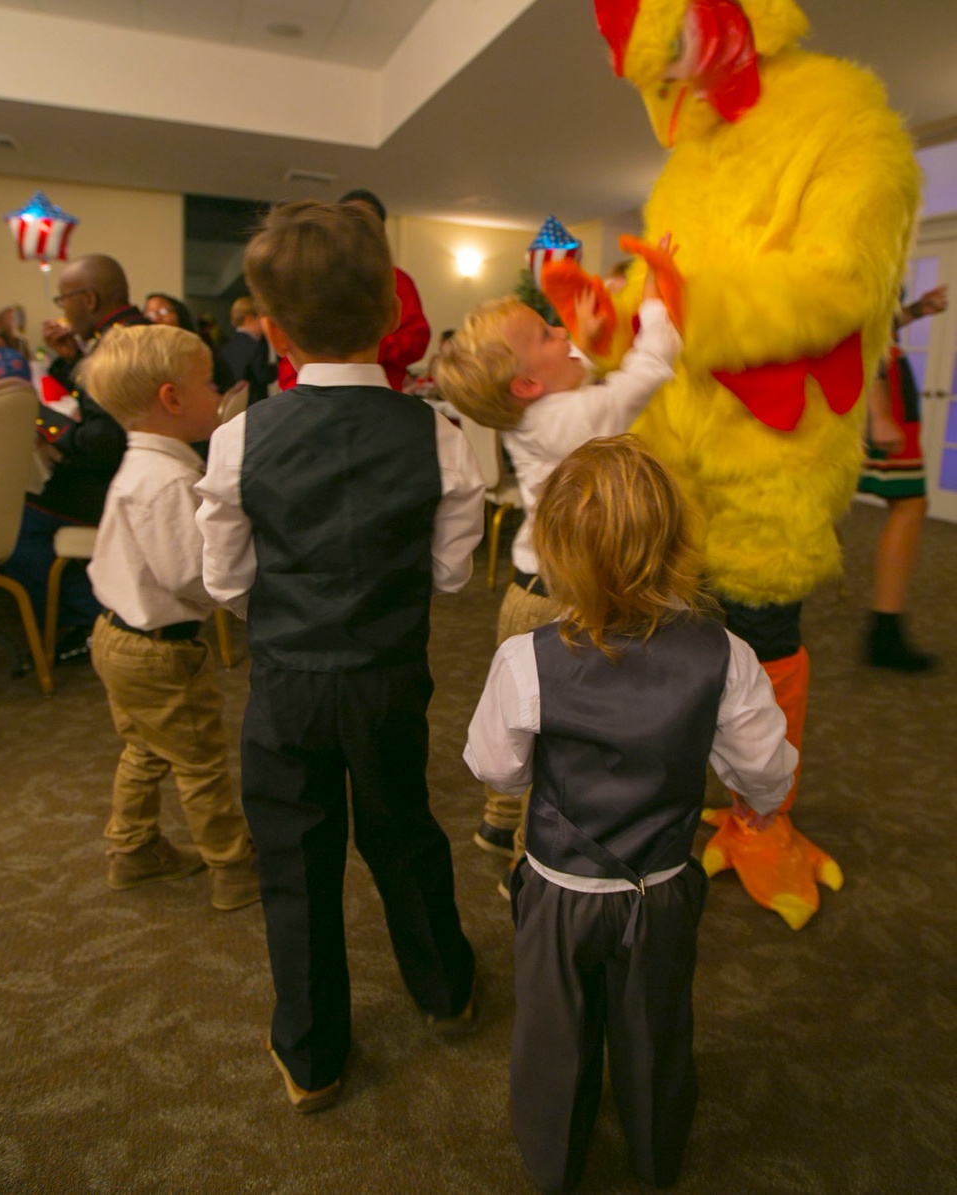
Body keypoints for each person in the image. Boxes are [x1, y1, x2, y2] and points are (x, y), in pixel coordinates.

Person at [196, 200, 483, 1111]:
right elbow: (448, 574)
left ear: (272, 329)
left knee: (295, 857)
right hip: (390, 673)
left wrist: (291, 610)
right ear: (390, 319)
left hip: (285, 680)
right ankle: (444, 986)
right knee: (403, 827)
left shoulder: (241, 435)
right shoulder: (437, 434)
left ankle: (313, 1051)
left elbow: (225, 581)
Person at [465, 435, 797, 1192]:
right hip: (664, 887)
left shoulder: (528, 657)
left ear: (554, 550)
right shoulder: (726, 653)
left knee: (553, 1035)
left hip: (556, 889)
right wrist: (763, 804)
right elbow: (764, 771)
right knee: (656, 1028)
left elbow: (495, 767)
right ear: (680, 543)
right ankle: (656, 1150)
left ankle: (554, 1161)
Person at [435, 249, 681, 883]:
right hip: (563, 602)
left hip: (525, 591)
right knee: (554, 743)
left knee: (521, 717)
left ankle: (496, 819)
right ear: (525, 385)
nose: (563, 332)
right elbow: (650, 367)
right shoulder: (571, 415)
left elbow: (587, 379)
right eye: (548, 334)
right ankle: (530, 866)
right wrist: (656, 299)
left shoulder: (539, 414)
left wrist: (595, 329)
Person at [81, 325, 259, 910]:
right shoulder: (169, 480)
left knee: (146, 747)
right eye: (208, 382)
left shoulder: (140, 468)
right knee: (199, 759)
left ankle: (131, 849)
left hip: (116, 636)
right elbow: (192, 574)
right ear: (171, 399)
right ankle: (233, 868)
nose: (220, 392)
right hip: (160, 649)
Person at [0, 254, 147, 662]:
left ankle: (84, 621)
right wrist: (70, 361)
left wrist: (34, 411)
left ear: (89, 299)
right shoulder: (131, 334)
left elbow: (99, 444)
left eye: (64, 299)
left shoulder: (114, 346)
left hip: (120, 485)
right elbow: (107, 406)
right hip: (136, 472)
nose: (62, 309)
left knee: (14, 524)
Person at [859, 283, 948, 669]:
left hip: (877, 375)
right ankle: (885, 631)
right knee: (909, 502)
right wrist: (878, 413)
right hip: (877, 381)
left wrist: (912, 311)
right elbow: (864, 327)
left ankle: (887, 629)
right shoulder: (866, 237)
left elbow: (876, 321)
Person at [275, 188, 430, 392]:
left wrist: (370, 346)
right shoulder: (312, 274)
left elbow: (416, 340)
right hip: (312, 394)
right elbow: (294, 338)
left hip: (379, 396)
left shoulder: (396, 280)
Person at [144, 291, 232, 392]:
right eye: (150, 314)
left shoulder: (199, 349)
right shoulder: (145, 356)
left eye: (163, 311)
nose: (156, 318)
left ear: (179, 314)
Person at [218, 295, 275, 405]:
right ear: (249, 319)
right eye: (261, 318)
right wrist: (276, 368)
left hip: (232, 406)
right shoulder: (255, 346)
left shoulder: (225, 347)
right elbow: (262, 375)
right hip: (254, 404)